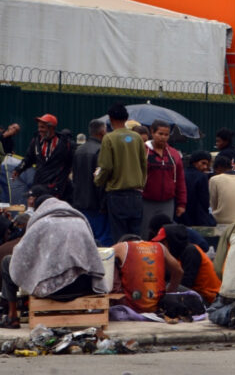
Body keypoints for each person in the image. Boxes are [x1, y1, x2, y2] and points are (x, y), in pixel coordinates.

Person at [1, 196, 107, 328]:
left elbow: (21, 256)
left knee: (7, 262)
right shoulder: (81, 221)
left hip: (51, 290)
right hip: (84, 287)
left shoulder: (41, 224)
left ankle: (12, 317)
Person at [94, 103, 148, 243]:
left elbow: (106, 166)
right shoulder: (136, 137)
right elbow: (144, 164)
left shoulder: (109, 138)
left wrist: (98, 180)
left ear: (110, 119)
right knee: (136, 237)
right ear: (126, 118)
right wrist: (141, 184)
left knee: (120, 238)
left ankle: (123, 264)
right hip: (136, 195)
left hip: (117, 195)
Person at [112, 234, 183, 313]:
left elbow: (102, 256)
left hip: (132, 308)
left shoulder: (121, 247)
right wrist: (170, 293)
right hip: (159, 307)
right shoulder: (160, 246)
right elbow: (179, 271)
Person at [12, 113, 74, 202]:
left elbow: (70, 163)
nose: (39, 130)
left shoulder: (64, 144)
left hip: (56, 186)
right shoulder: (36, 141)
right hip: (40, 182)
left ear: (51, 128)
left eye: (42, 127)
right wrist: (18, 169)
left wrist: (62, 178)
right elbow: (29, 158)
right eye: (39, 127)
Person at [141, 120, 186, 240]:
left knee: (165, 234)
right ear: (152, 132)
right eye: (160, 134)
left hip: (167, 202)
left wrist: (182, 203)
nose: (163, 137)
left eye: (166, 135)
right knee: (146, 233)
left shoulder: (174, 154)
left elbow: (180, 180)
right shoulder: (143, 151)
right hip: (146, 201)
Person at [153, 225, 221, 305]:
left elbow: (186, 282)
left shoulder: (190, 251)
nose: (161, 246)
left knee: (167, 287)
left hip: (207, 299)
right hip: (195, 294)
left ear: (172, 241)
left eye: (163, 243)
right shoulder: (177, 254)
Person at [72, 119, 109, 245]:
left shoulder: (79, 150)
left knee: (84, 239)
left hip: (80, 203)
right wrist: (104, 204)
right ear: (103, 131)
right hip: (96, 204)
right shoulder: (101, 151)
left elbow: (75, 177)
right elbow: (100, 179)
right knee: (100, 242)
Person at [177, 151, 216, 227]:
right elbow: (204, 201)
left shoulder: (182, 173)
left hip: (182, 216)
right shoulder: (202, 177)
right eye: (203, 163)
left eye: (207, 164)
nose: (205, 167)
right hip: (197, 217)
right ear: (194, 162)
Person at [209, 154, 235, 225]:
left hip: (220, 221)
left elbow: (213, 205)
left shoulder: (214, 179)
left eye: (215, 171)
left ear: (219, 167)